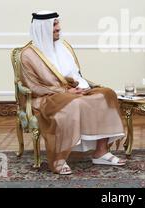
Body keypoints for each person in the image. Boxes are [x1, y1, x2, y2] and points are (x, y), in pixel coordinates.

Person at [19, 11, 126, 175]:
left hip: (74, 90)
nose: (58, 28)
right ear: (43, 28)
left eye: (57, 24)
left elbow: (76, 75)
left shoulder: (63, 47)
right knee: (75, 103)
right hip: (47, 97)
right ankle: (59, 158)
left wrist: (81, 87)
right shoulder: (28, 55)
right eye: (54, 25)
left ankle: (101, 152)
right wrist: (65, 91)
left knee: (106, 95)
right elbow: (33, 87)